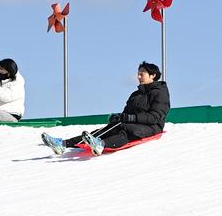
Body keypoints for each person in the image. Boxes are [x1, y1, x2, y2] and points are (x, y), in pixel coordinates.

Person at [41, 62, 169, 154]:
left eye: (142, 74)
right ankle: (62, 144)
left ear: (153, 75)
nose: (139, 76)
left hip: (152, 127)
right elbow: (127, 113)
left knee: (125, 130)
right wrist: (120, 117)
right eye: (138, 74)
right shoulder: (136, 95)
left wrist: (130, 118)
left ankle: (101, 144)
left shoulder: (160, 92)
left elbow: (155, 117)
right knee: (107, 129)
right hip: (133, 123)